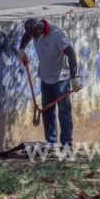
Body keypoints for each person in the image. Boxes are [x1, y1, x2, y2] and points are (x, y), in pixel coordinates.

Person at [18, 18, 81, 148]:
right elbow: (27, 35)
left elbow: (71, 54)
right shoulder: (33, 32)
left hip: (60, 78)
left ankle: (66, 143)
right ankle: (51, 141)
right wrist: (21, 49)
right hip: (45, 78)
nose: (35, 38)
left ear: (40, 28)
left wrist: (74, 78)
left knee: (64, 111)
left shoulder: (57, 35)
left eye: (35, 35)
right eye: (33, 36)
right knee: (47, 110)